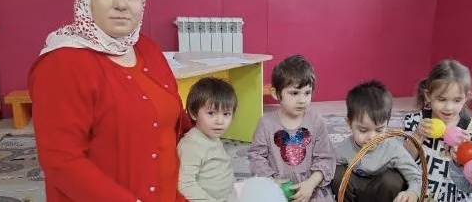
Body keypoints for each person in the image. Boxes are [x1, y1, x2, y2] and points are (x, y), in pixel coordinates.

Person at [28, 0, 189, 202]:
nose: (121, 4)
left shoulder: (147, 48)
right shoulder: (62, 64)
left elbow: (171, 121)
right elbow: (62, 160)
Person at [248, 54, 335, 202]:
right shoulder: (266, 123)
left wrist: (310, 184)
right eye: (294, 93)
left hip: (311, 190)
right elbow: (256, 157)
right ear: (276, 93)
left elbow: (326, 158)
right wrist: (271, 181)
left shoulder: (316, 122)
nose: (302, 100)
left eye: (307, 93)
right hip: (276, 188)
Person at [404, 60, 472, 202]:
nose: (449, 107)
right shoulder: (416, 121)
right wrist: (417, 135)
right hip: (422, 193)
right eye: (442, 99)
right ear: (428, 96)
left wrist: (466, 151)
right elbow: (405, 158)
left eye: (457, 100)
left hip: (457, 196)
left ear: (466, 98)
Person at [331, 80, 421, 202]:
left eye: (379, 130)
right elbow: (326, 167)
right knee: (336, 174)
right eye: (363, 130)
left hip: (382, 191)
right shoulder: (344, 148)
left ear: (387, 123)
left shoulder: (393, 148)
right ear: (349, 123)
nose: (372, 137)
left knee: (392, 180)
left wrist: (412, 192)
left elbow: (415, 176)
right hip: (357, 190)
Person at [177, 77, 237, 202]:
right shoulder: (191, 145)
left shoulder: (213, 136)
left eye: (226, 114)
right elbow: (185, 184)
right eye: (211, 113)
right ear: (194, 114)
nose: (220, 121)